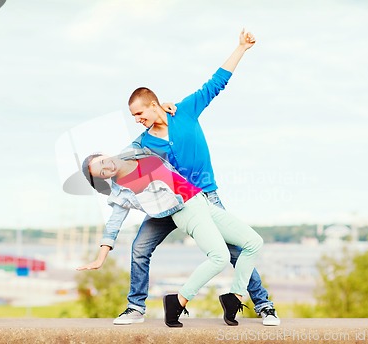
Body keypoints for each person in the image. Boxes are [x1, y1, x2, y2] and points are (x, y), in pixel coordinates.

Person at [122, 29, 280, 326]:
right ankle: (135, 307)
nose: (137, 120)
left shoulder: (185, 110)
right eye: (133, 117)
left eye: (139, 113)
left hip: (205, 197)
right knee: (140, 248)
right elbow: (120, 164)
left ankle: (263, 304)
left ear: (154, 104)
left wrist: (241, 48)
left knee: (237, 250)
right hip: (170, 203)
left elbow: (216, 83)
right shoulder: (143, 144)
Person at [77, 149, 264, 327]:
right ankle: (178, 301)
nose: (107, 168)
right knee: (219, 257)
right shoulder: (121, 192)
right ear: (105, 178)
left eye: (102, 162)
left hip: (200, 199)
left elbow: (159, 132)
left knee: (254, 243)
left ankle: (235, 298)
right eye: (102, 173)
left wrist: (170, 113)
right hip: (185, 210)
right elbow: (113, 224)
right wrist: (101, 257)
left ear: (104, 154)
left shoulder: (137, 152)